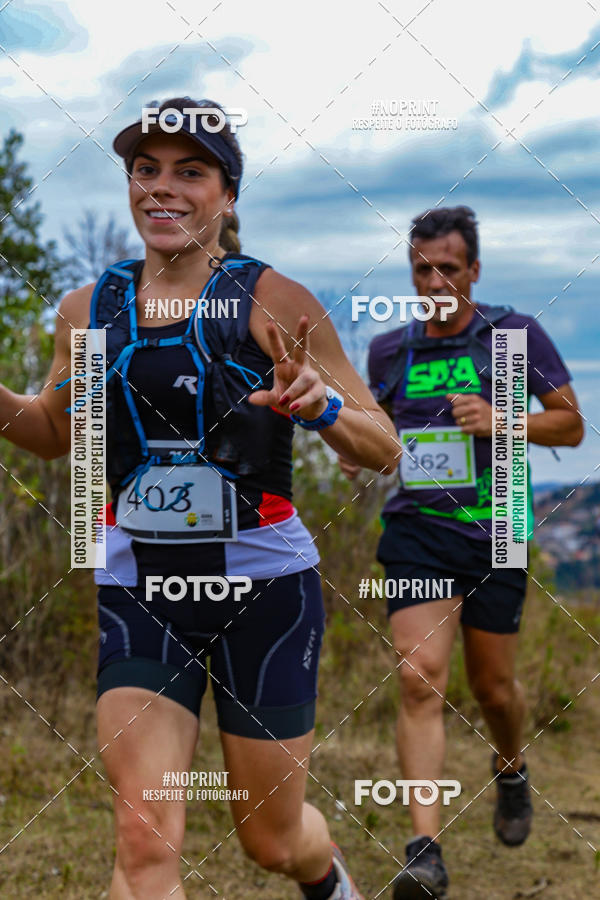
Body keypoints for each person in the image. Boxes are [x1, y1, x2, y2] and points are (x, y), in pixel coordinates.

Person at [0, 97, 399, 899]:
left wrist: (319, 406)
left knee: (273, 840)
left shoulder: (277, 303)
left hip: (265, 593)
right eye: (145, 170)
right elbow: (51, 431)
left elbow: (384, 446)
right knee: (145, 846)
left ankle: (328, 879)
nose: (162, 189)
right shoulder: (87, 310)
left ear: (228, 193)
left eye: (190, 172)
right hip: (139, 589)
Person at [339, 205, 583, 899]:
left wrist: (502, 419)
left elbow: (570, 426)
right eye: (423, 267)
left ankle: (511, 768)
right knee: (420, 677)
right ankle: (425, 850)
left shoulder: (513, 336)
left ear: (474, 270)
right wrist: (363, 453)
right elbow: (376, 433)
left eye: (449, 266)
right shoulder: (391, 350)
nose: (436, 279)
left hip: (497, 530)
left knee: (494, 691)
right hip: (417, 532)